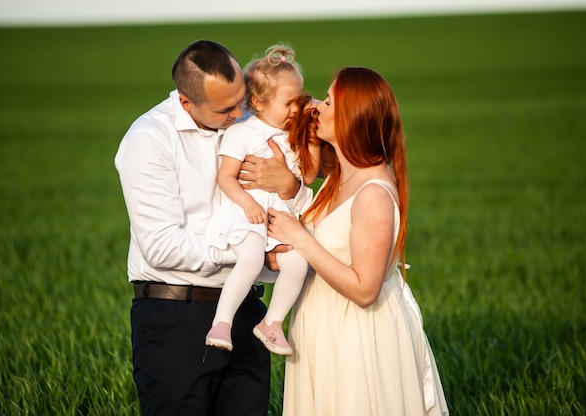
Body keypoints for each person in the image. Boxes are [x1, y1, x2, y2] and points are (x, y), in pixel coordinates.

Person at [114, 40, 312, 416]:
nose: (240, 113)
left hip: (247, 311)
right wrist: (254, 253)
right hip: (175, 319)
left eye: (242, 100)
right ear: (187, 102)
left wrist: (289, 186)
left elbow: (296, 202)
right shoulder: (149, 139)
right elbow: (162, 247)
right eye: (226, 109)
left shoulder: (250, 123)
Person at [267, 67, 449, 415]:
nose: (317, 107)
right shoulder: (339, 177)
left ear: (350, 117)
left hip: (357, 338)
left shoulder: (374, 195)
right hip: (324, 329)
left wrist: (300, 239)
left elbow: (366, 289)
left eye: (328, 101)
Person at [205, 45, 321, 356]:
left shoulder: (294, 133)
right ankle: (222, 322)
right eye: (288, 103)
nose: (296, 109)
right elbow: (226, 177)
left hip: (279, 217)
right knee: (252, 257)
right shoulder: (242, 133)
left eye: (299, 101)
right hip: (250, 215)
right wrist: (248, 204)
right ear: (258, 102)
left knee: (298, 261)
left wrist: (309, 137)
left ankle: (271, 323)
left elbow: (308, 177)